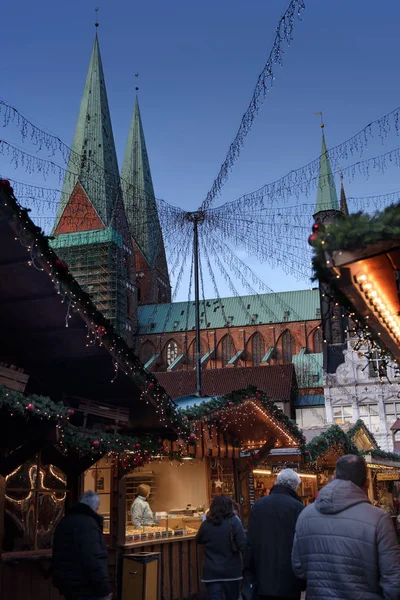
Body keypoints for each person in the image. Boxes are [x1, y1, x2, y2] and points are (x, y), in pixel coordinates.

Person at [292, 454, 400, 599]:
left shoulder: (305, 515)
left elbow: (298, 568)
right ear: (367, 483)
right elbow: (394, 580)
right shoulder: (378, 519)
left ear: (335, 477)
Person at [245, 468, 305, 600]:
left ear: (276, 482)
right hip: (289, 578)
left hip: (263, 577)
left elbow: (250, 542)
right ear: (294, 487)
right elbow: (302, 544)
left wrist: (249, 573)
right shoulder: (297, 507)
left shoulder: (259, 505)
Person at [52, 490, 112, 600]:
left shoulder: (66, 521)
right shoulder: (88, 525)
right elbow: (92, 559)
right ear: (95, 507)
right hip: (86, 586)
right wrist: (105, 589)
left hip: (68, 583)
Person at [196, 494, 246, 600]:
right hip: (232, 571)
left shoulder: (206, 523)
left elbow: (198, 540)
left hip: (211, 571)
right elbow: (243, 544)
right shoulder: (234, 521)